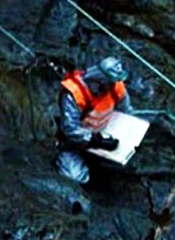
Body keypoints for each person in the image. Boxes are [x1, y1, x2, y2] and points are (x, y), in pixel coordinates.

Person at [55, 56, 133, 184]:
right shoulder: (74, 93)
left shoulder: (116, 87)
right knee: (74, 177)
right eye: (110, 81)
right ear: (101, 81)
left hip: (107, 136)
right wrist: (96, 140)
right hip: (76, 143)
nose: (114, 84)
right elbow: (70, 129)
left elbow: (127, 112)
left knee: (124, 166)